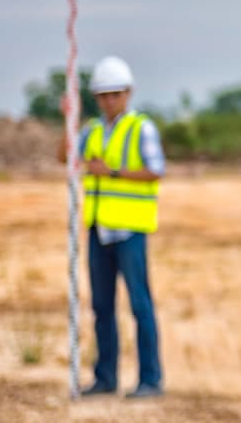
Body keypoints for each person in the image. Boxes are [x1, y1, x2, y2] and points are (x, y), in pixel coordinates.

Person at [58, 55, 165, 399]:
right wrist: (67, 120)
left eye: (115, 94)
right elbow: (65, 157)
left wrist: (113, 172)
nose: (109, 101)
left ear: (128, 93)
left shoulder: (141, 128)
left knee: (139, 306)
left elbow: (156, 170)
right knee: (101, 307)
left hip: (130, 230)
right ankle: (105, 377)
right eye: (103, 95)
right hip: (98, 228)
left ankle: (150, 379)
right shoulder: (90, 130)